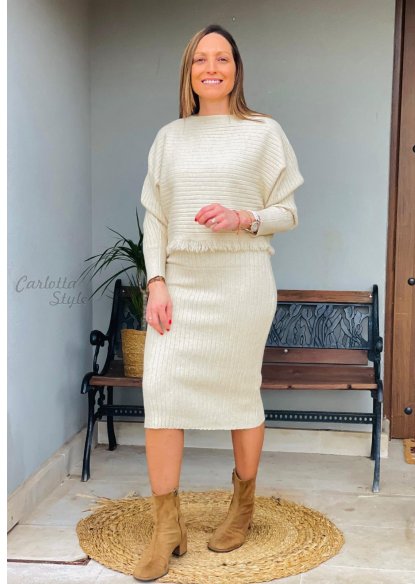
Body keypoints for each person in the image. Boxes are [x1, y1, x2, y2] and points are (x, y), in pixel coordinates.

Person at [133, 23, 305, 582]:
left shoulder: (264, 132)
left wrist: (241, 217)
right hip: (181, 285)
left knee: (240, 394)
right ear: (189, 71)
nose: (212, 67)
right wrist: (157, 282)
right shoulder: (169, 137)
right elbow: (156, 220)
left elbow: (288, 212)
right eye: (201, 59)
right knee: (161, 394)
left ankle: (243, 507)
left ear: (236, 69)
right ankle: (167, 527)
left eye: (222, 58)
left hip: (241, 284)